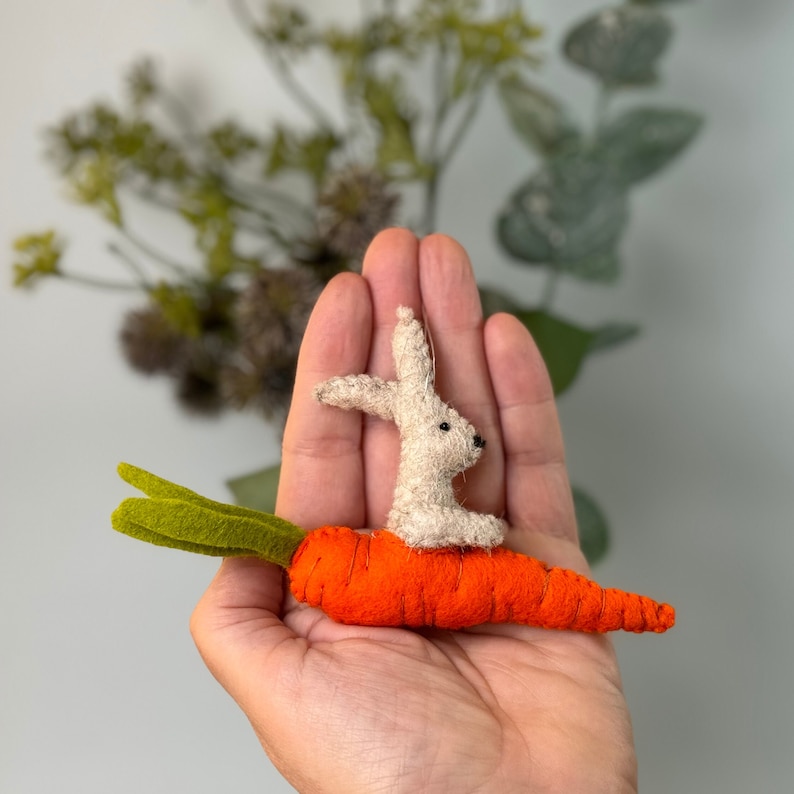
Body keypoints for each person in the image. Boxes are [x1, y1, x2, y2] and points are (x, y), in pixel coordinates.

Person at [190, 229, 638, 793]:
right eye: (451, 428)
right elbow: (429, 526)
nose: (470, 440)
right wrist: (482, 527)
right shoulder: (421, 514)